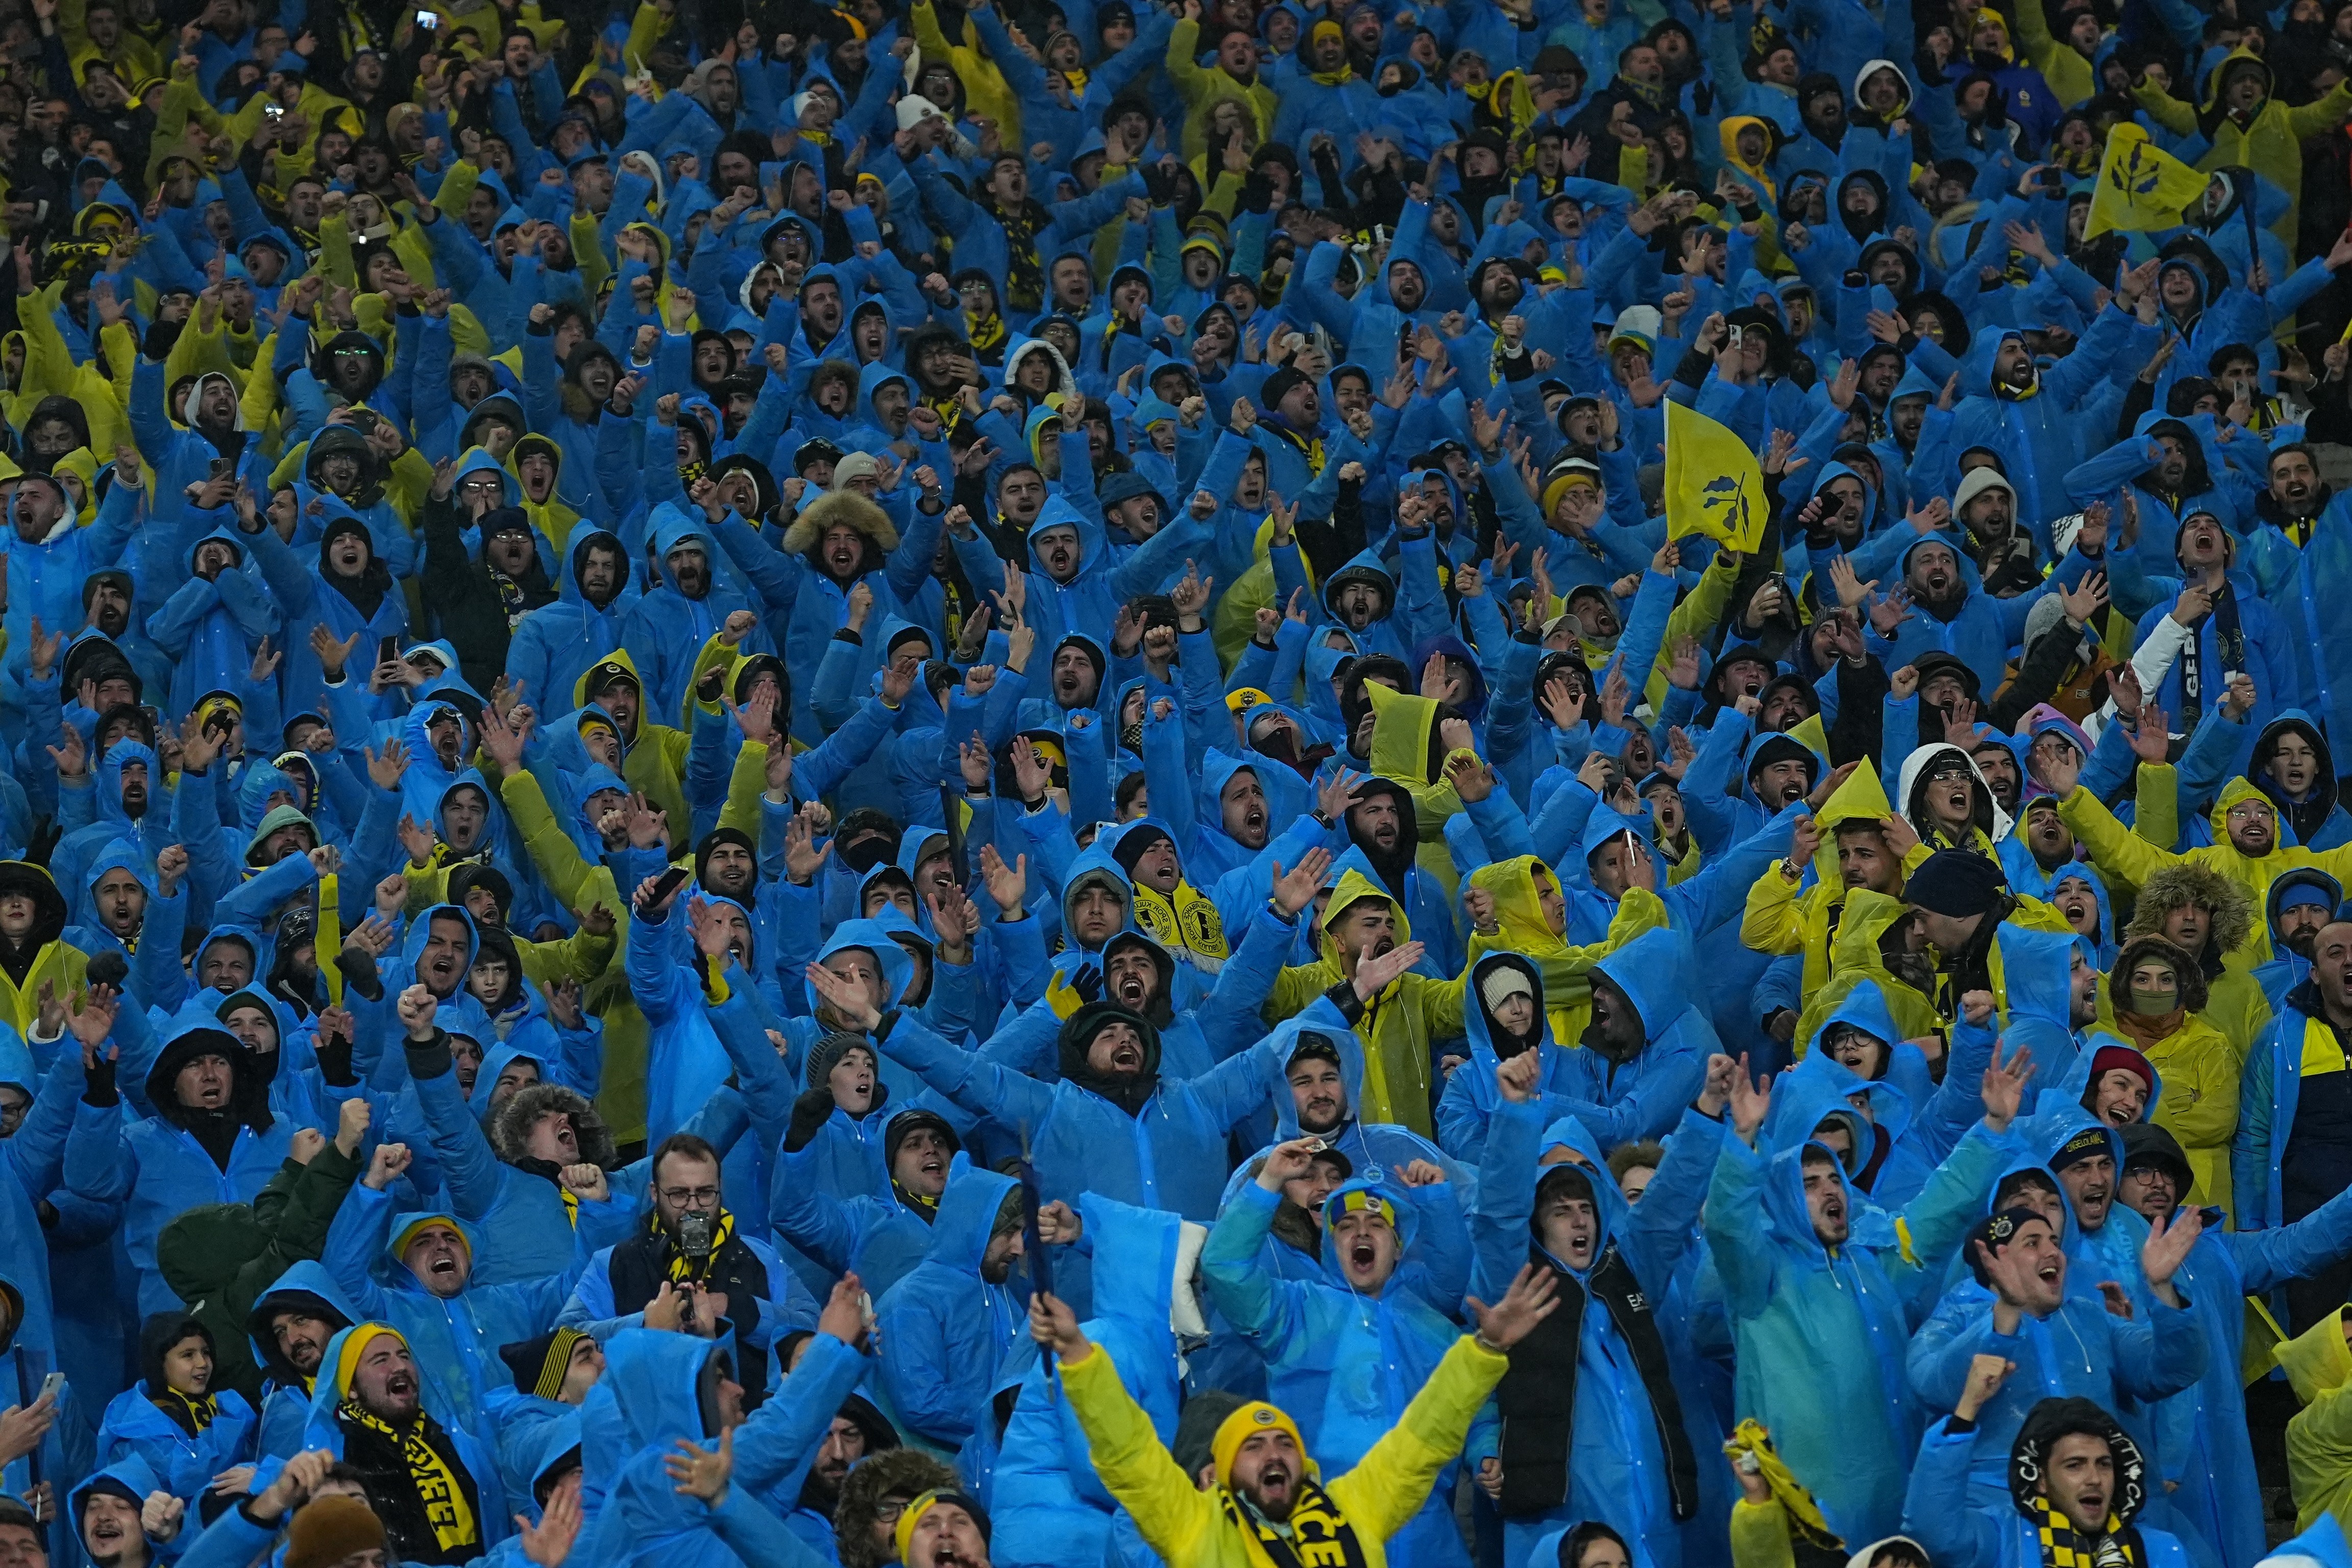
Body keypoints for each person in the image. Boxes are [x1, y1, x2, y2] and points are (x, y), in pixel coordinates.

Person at [1030, 1260, 1563, 1568]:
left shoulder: (1353, 1509)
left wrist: (1484, 1352)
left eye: (1284, 1442)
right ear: (1221, 1470)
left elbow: (1421, 1442)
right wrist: (1078, 1356)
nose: (1273, 1453)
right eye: (1253, 1446)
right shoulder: (1196, 1528)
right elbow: (1130, 1456)